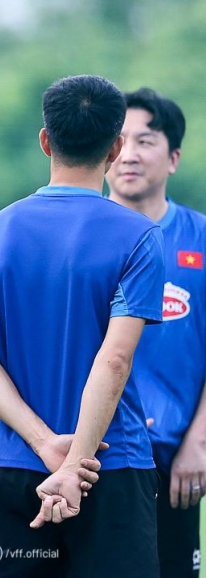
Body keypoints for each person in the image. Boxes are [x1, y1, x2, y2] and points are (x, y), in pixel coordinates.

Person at [0, 74, 166, 576]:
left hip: (16, 466)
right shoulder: (139, 237)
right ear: (115, 148)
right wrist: (74, 466)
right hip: (111, 468)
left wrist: (44, 444)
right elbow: (114, 359)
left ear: (45, 140)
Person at [107, 87, 205, 577]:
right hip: (93, 461)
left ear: (174, 158)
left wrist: (199, 442)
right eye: (120, 140)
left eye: (145, 141)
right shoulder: (81, 238)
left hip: (174, 462)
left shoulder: (201, 240)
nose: (129, 154)